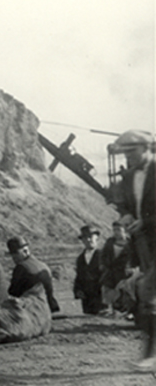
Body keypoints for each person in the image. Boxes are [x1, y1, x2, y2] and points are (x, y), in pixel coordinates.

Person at [113, 130, 155, 370]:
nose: (128, 156)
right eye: (125, 152)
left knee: (148, 294)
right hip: (144, 245)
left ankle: (150, 356)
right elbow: (124, 205)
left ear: (146, 148)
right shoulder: (128, 177)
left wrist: (147, 222)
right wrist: (127, 215)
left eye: (132, 151)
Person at [6, 236, 60, 313]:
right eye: (12, 254)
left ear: (25, 251)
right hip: (49, 306)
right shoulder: (43, 265)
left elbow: (13, 292)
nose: (13, 257)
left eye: (15, 253)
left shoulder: (21, 267)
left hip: (34, 309)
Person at [100, 220, 134, 316]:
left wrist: (130, 267)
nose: (116, 232)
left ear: (124, 230)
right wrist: (102, 264)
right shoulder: (110, 241)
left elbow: (133, 256)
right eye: (114, 230)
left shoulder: (130, 243)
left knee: (124, 290)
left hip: (123, 270)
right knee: (108, 288)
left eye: (118, 230)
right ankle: (110, 309)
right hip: (110, 269)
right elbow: (103, 254)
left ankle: (127, 311)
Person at [73, 225, 104, 315]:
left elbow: (108, 275)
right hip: (87, 298)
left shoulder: (104, 256)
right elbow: (79, 276)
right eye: (85, 238)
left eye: (90, 237)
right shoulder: (80, 258)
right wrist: (78, 290)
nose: (88, 240)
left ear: (97, 238)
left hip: (101, 296)